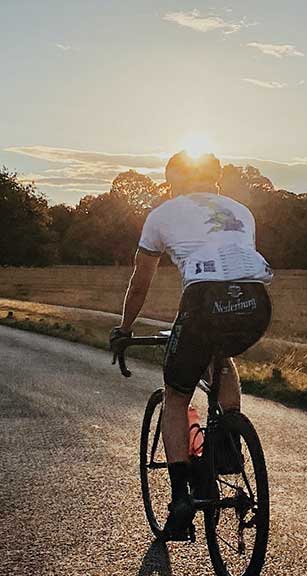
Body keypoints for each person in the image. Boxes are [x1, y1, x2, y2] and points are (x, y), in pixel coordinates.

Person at [110, 151, 273, 540]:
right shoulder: (241, 211)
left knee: (176, 395)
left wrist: (125, 328)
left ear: (172, 180)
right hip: (256, 302)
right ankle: (228, 441)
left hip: (203, 303)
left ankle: (181, 498)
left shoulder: (162, 214)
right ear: (215, 179)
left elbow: (141, 278)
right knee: (222, 357)